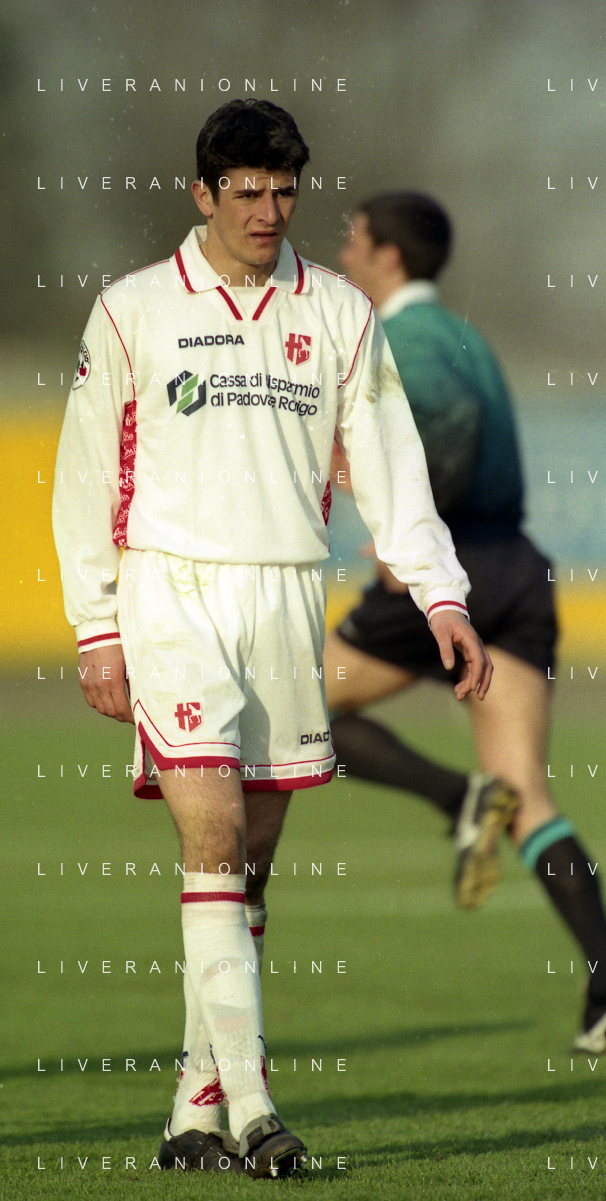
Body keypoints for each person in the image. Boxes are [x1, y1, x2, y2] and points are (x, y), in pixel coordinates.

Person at [52, 107, 492, 1176]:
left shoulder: (337, 311)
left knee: (247, 867)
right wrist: (97, 624)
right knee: (208, 840)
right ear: (202, 194)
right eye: (245, 191)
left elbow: (389, 464)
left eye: (283, 191)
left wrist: (440, 595)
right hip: (172, 594)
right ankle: (255, 1108)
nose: (266, 210)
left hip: (284, 599)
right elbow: (84, 476)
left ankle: (192, 1110)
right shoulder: (132, 310)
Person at [325, 191, 606, 1055]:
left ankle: (456, 798)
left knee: (297, 707)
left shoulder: (404, 339)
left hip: (457, 571)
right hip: (518, 566)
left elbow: (449, 420)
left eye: (354, 240)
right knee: (527, 791)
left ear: (388, 255)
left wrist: (407, 531)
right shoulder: (464, 335)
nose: (343, 254)